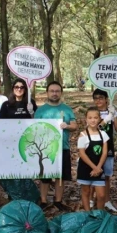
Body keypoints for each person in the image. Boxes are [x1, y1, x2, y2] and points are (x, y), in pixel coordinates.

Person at [33, 81, 77, 211]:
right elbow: (35, 128)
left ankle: (58, 201)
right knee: (45, 177)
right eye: (52, 91)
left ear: (61, 93)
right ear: (47, 92)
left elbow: (75, 126)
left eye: (57, 91)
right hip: (45, 148)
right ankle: (43, 200)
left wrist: (67, 126)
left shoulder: (67, 109)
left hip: (63, 147)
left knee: (60, 176)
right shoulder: (41, 110)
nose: (54, 93)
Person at [91, 89, 117, 212]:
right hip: (93, 148)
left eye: (101, 98)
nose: (98, 100)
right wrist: (106, 119)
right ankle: (92, 199)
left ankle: (107, 201)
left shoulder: (112, 112)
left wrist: (113, 116)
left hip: (108, 148)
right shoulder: (93, 113)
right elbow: (94, 127)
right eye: (96, 98)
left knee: (107, 176)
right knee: (94, 173)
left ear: (106, 99)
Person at [77, 107, 109, 211]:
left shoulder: (103, 134)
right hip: (85, 168)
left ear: (100, 119)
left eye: (95, 117)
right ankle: (87, 214)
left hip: (99, 168)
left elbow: (104, 152)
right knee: (86, 191)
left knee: (101, 195)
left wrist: (98, 168)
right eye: (90, 118)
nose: (93, 120)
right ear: (86, 119)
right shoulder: (83, 135)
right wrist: (94, 167)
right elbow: (82, 154)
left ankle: (100, 214)